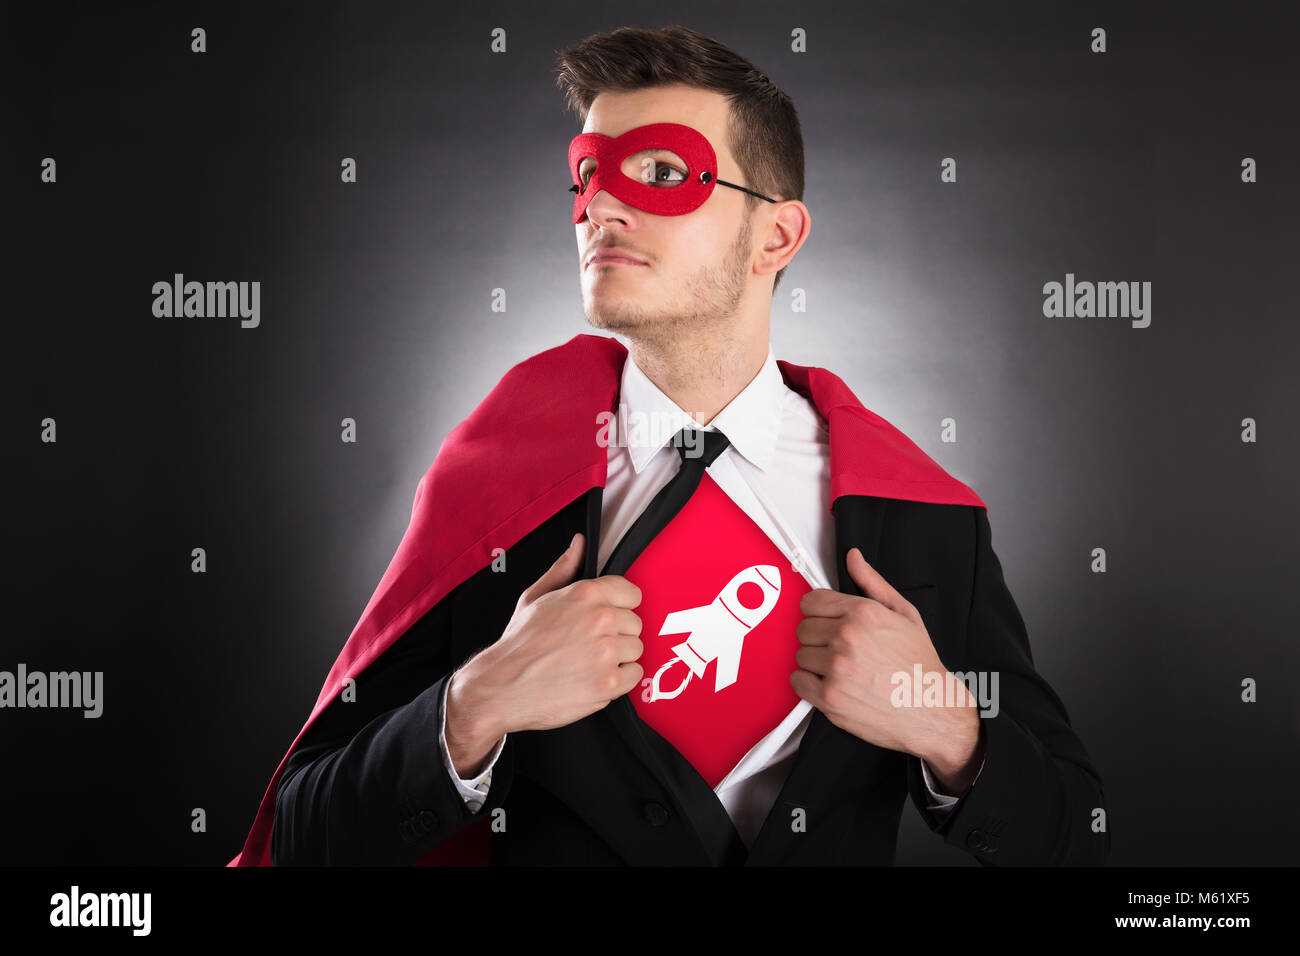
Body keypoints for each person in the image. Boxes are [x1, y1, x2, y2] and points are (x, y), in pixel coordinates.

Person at [230, 25, 1108, 867]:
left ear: (777, 235)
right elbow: (305, 834)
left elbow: (1077, 836)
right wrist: (476, 705)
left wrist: (945, 723)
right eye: (586, 175)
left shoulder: (922, 522)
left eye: (659, 171)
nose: (600, 205)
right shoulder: (494, 501)